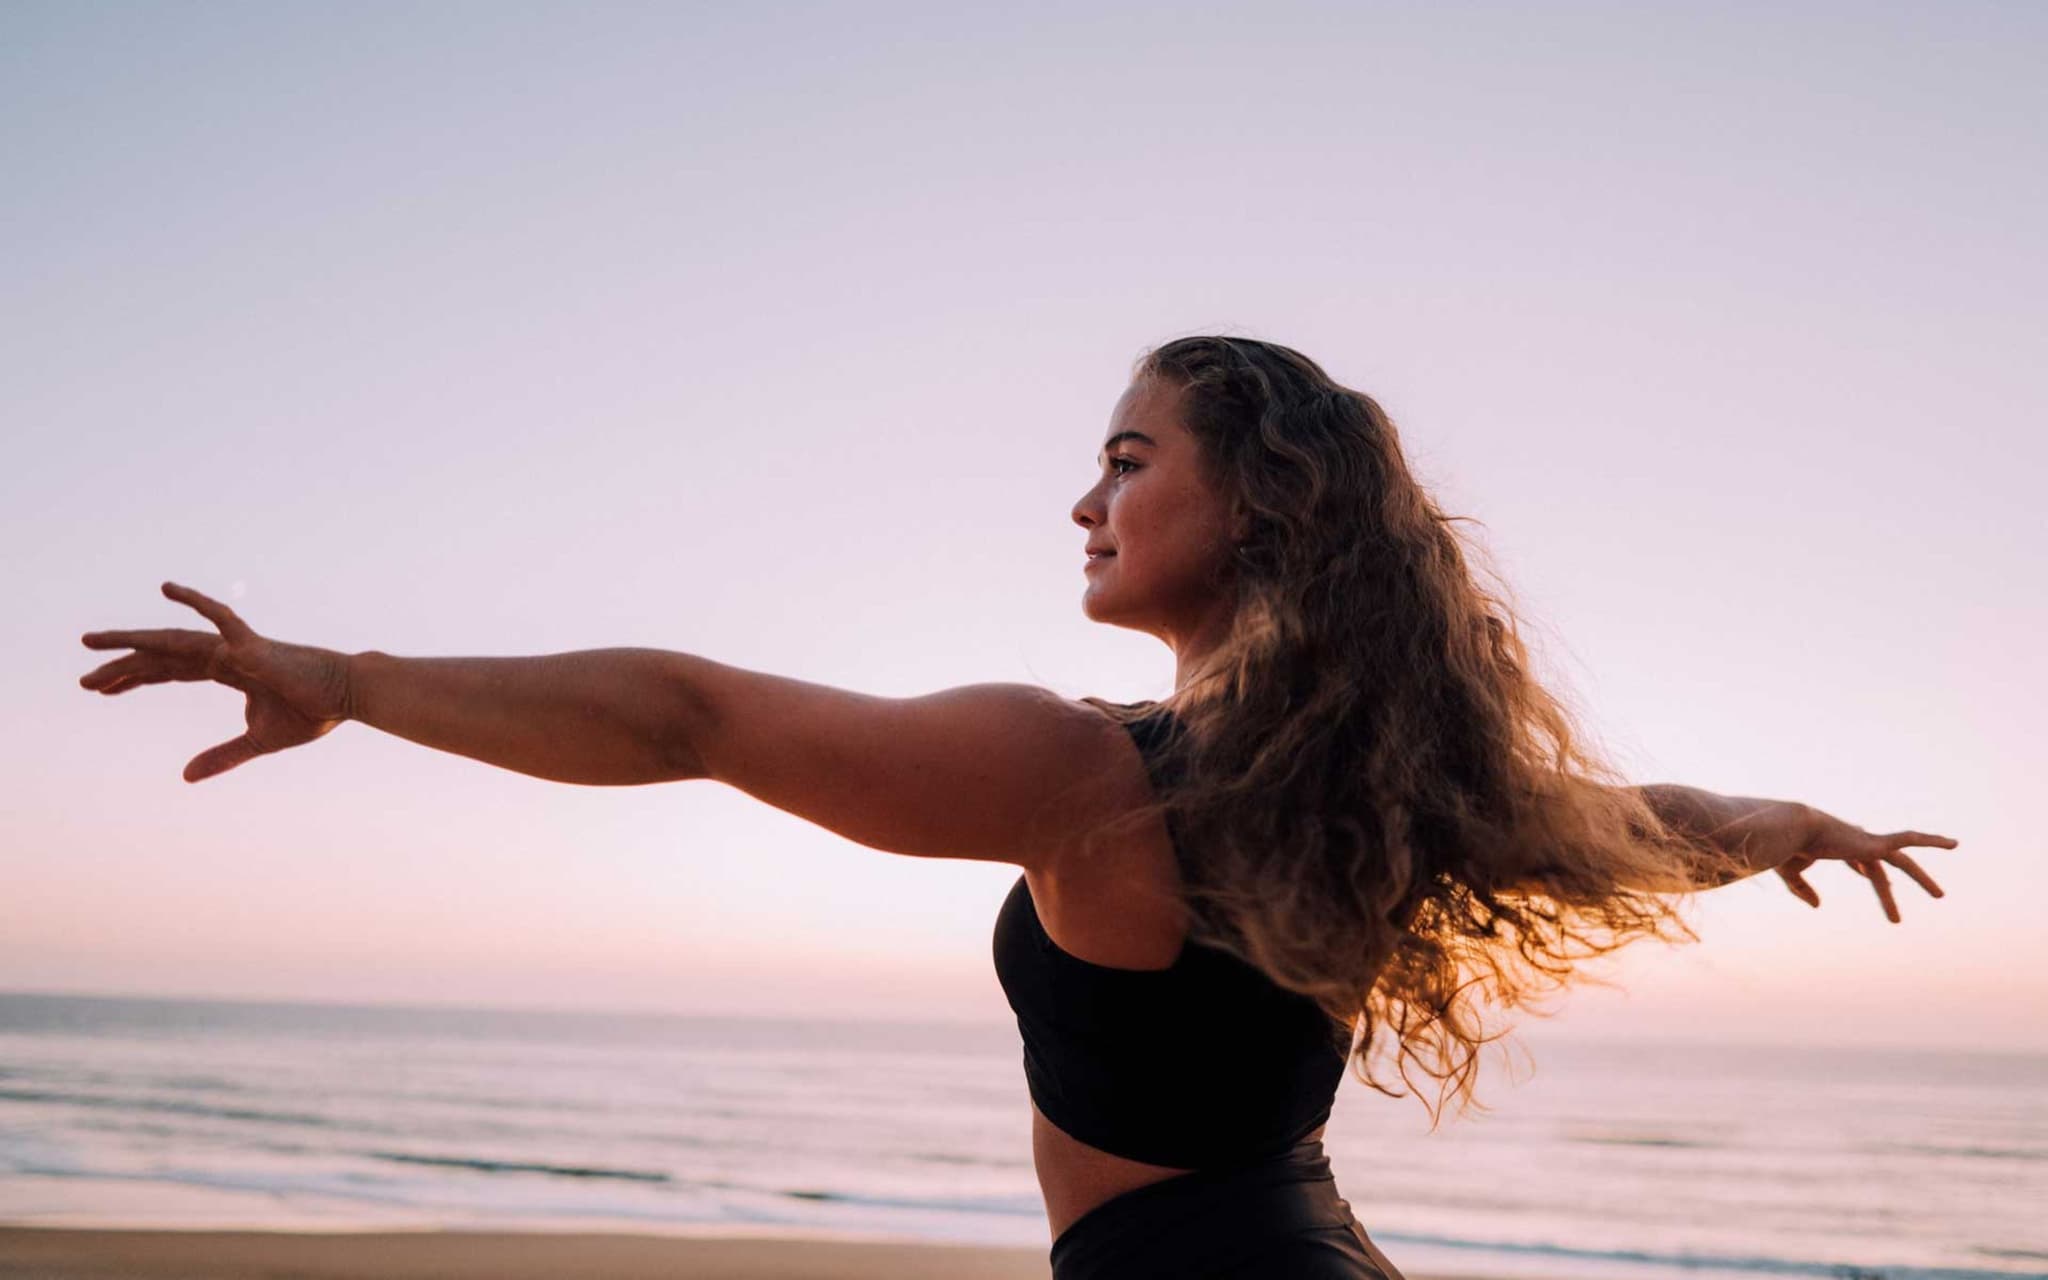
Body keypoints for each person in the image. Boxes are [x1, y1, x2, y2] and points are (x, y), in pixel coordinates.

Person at [77, 335, 1958, 1279]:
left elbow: (687, 717)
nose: (1084, 502)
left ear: (1263, 505)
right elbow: (1638, 815)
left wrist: (350, 680)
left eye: (1129, 460)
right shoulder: (1378, 778)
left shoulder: (1085, 775)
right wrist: (1792, 820)